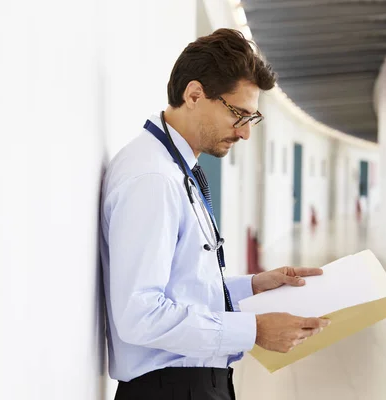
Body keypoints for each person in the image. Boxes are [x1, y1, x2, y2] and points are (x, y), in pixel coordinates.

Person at [99, 28, 330, 400]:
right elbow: (140, 314)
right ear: (194, 95)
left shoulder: (176, 168)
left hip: (190, 382)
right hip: (170, 389)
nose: (244, 134)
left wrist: (252, 286)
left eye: (252, 119)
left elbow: (182, 286)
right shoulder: (153, 178)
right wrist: (253, 331)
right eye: (239, 114)